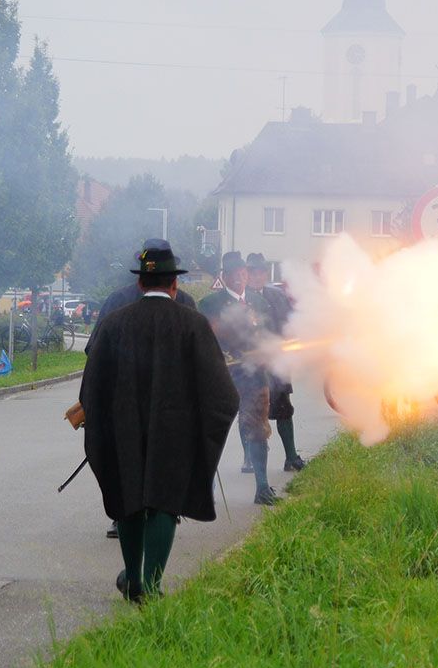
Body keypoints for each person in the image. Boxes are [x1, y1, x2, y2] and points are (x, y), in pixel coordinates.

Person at [80, 241, 238, 602]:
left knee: (131, 498)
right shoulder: (193, 324)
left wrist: (103, 426)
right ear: (174, 284)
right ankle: (151, 587)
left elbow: (92, 387)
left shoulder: (114, 324)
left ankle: (133, 581)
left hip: (123, 431)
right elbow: (224, 396)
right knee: (164, 502)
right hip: (176, 433)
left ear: (140, 283)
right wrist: (204, 433)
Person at [198, 251, 278, 505]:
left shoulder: (259, 302)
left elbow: (269, 333)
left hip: (254, 378)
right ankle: (204, 491)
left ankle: (262, 487)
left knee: (258, 430)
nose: (240, 277)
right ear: (224, 276)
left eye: (243, 272)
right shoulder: (210, 304)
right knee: (213, 432)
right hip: (223, 378)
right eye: (234, 273)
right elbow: (206, 340)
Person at [246, 253, 306, 472]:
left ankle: (291, 457)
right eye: (252, 271)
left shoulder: (278, 296)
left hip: (278, 362)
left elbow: (291, 323)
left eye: (261, 271)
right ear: (246, 273)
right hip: (252, 365)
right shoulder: (241, 298)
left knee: (284, 409)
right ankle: (249, 459)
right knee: (250, 412)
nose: (257, 276)